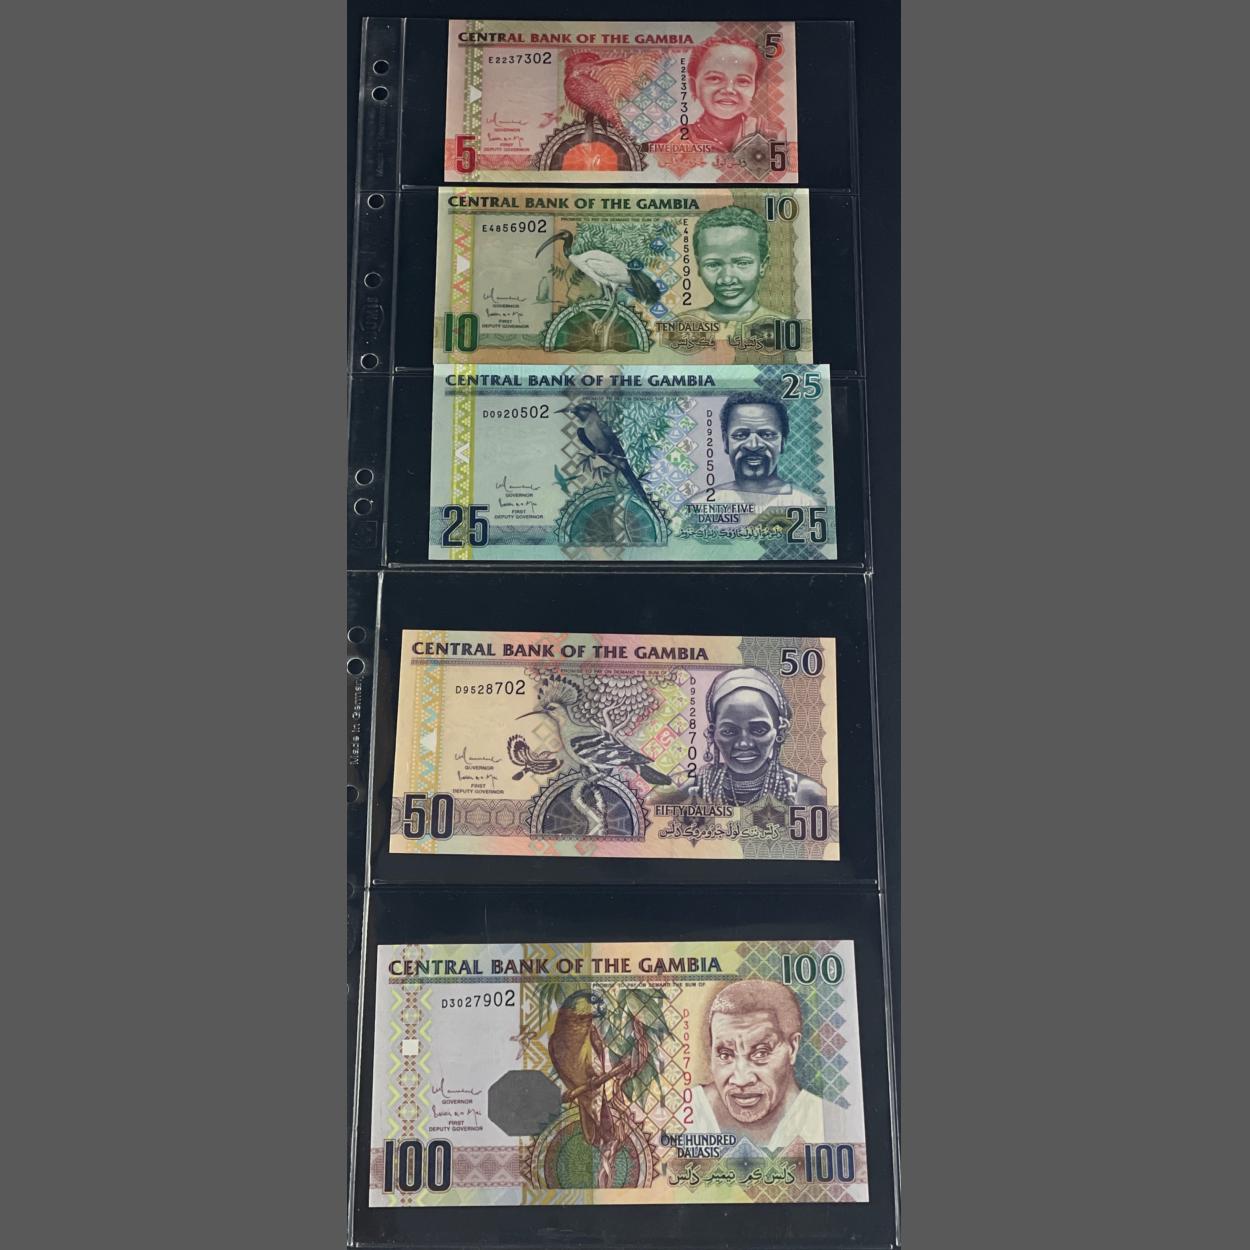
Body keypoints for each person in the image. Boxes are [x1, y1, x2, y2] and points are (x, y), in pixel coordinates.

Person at [689, 978, 855, 1149]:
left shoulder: (834, 1123)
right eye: (725, 1055)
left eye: (761, 1053)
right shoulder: (683, 1115)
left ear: (792, 1048)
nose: (741, 1079)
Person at [678, 667, 826, 806]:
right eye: (729, 731)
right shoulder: (687, 789)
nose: (743, 744)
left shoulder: (807, 794)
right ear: (712, 733)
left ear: (780, 731)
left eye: (759, 730)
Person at [682, 393, 822, 516]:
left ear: (783, 442)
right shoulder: (696, 507)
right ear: (725, 442)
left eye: (767, 435)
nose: (753, 445)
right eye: (741, 435)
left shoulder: (810, 504)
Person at [652, 38, 769, 154]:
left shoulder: (772, 135)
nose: (729, 89)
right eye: (714, 78)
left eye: (743, 81)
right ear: (693, 85)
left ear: (755, 88)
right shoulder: (667, 144)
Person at [688, 205, 782, 325]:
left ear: (763, 265)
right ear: (698, 266)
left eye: (743, 263)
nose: (727, 279)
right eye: (713, 265)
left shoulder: (784, 324)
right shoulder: (678, 325)